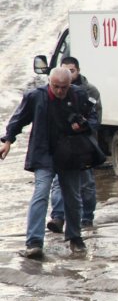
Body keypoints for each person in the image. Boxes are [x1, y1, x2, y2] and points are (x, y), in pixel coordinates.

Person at [1, 67, 100, 258]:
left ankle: (75, 238)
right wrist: (7, 141)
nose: (60, 91)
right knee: (41, 193)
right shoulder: (35, 97)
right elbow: (18, 119)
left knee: (72, 196)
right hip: (43, 153)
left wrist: (83, 125)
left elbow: (94, 119)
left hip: (70, 154)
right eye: (56, 87)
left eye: (64, 87)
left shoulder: (79, 95)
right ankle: (34, 243)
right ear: (49, 83)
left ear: (70, 84)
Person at [47, 57, 101, 233]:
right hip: (61, 146)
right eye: (65, 70)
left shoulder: (88, 91)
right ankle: (58, 217)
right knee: (58, 183)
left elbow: (95, 118)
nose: (68, 74)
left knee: (86, 183)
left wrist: (83, 127)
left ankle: (86, 217)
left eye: (72, 71)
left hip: (83, 145)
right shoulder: (52, 92)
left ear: (78, 71)